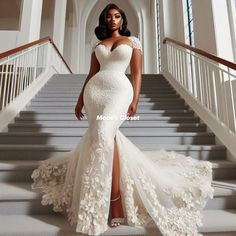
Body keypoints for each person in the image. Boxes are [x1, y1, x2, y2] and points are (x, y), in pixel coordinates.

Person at [31, 3, 214, 236]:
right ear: (104, 20)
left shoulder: (133, 42)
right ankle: (102, 197)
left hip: (119, 90)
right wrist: (79, 100)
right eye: (108, 16)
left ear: (122, 19)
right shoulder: (97, 44)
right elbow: (91, 74)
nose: (113, 19)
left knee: (104, 133)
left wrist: (135, 99)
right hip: (95, 92)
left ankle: (115, 198)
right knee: (104, 137)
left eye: (117, 16)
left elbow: (136, 73)